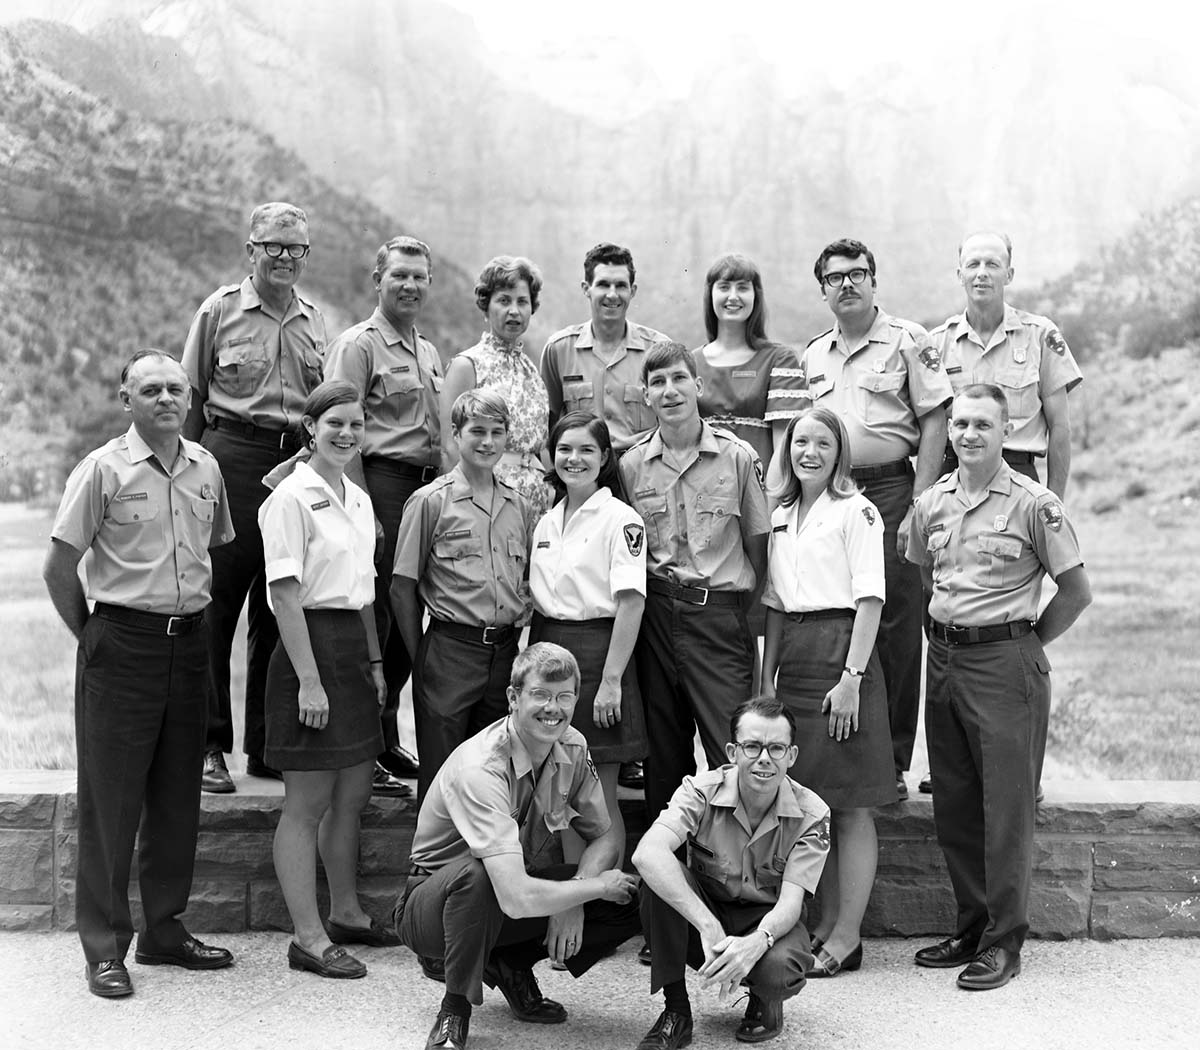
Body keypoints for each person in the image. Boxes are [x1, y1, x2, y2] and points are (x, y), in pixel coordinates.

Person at [43, 349, 236, 998]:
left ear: (191, 398)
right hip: (122, 645)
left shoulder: (207, 466)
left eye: (175, 388)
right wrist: (95, 640)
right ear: (126, 400)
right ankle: (104, 948)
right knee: (112, 802)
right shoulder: (102, 469)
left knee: (177, 798)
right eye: (150, 390)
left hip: (191, 646)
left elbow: (211, 550)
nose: (166, 399)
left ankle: (164, 930)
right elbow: (59, 566)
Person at [907, 383, 1092, 991]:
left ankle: (1004, 941)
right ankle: (971, 926)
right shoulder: (932, 502)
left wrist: (1028, 643)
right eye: (960, 423)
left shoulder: (1035, 504)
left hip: (1005, 663)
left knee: (1005, 810)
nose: (969, 434)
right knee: (955, 803)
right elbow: (924, 571)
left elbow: (1076, 592)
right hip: (944, 660)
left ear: (1006, 431)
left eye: (983, 424)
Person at [394, 642, 642, 1050]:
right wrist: (591, 889)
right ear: (513, 697)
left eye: (564, 696)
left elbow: (603, 836)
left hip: (511, 889)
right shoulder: (482, 767)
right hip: (435, 906)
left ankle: (509, 963)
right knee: (477, 877)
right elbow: (513, 896)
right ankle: (454, 1009)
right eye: (540, 695)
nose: (553, 708)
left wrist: (576, 893)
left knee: (633, 897)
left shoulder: (573, 746)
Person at [799, 238, 952, 798]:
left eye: (857, 274)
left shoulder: (909, 340)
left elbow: (935, 420)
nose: (847, 284)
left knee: (895, 624)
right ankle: (845, 754)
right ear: (823, 289)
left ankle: (891, 760)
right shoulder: (813, 354)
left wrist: (918, 502)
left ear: (873, 281)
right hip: (834, 492)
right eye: (835, 277)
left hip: (891, 490)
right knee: (840, 613)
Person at [182, 201, 327, 793]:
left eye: (296, 248)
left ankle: (267, 748)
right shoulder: (218, 311)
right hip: (231, 458)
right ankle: (209, 746)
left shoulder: (315, 320)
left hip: (293, 464)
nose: (285, 257)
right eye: (274, 246)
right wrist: (186, 476)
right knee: (217, 605)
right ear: (251, 250)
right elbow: (192, 397)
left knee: (280, 602)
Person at [258, 380, 400, 979]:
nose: (345, 433)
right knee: (308, 803)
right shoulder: (290, 498)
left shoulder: (359, 499)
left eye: (356, 424)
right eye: (334, 423)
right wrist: (309, 682)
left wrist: (375, 664)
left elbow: (364, 593)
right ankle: (309, 938)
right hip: (307, 652)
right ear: (311, 428)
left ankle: (346, 913)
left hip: (352, 654)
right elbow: (285, 596)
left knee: (353, 796)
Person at [759, 407, 894, 979]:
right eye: (800, 442)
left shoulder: (857, 511)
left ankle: (847, 935)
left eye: (822, 443)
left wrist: (851, 679)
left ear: (839, 452)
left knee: (851, 802)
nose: (809, 452)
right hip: (795, 656)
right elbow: (773, 603)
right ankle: (823, 922)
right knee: (814, 803)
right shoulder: (781, 515)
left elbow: (871, 599)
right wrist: (766, 676)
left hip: (843, 656)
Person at [618, 341, 771, 826]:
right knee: (664, 758)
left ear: (698, 385)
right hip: (656, 620)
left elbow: (759, 549)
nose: (670, 391)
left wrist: (731, 611)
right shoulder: (630, 465)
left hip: (718, 619)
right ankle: (671, 867)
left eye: (679, 378)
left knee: (735, 750)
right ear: (646, 394)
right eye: (658, 382)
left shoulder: (737, 457)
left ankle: (738, 866)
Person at [632, 697, 829, 1047]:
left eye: (776, 748)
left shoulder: (812, 813)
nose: (764, 758)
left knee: (779, 970)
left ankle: (764, 1000)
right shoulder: (700, 791)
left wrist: (758, 941)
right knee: (657, 882)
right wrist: (707, 925)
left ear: (792, 756)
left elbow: (791, 904)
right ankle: (676, 1012)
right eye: (752, 746)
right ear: (732, 752)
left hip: (767, 922)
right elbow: (647, 854)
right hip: (709, 914)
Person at [324, 235, 443, 795]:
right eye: (400, 275)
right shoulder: (358, 346)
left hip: (422, 492)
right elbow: (341, 431)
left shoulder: (428, 351)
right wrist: (360, 509)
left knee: (404, 615)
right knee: (371, 618)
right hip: (380, 485)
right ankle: (359, 746)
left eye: (419, 276)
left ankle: (384, 735)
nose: (410, 285)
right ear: (378, 280)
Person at [391, 389, 535, 803]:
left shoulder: (518, 506)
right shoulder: (430, 502)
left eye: (497, 432)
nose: (488, 442)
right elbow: (402, 587)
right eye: (477, 431)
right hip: (449, 652)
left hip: (504, 654)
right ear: (456, 434)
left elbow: (523, 582)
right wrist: (422, 655)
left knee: (493, 776)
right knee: (442, 779)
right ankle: (433, 850)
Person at [529, 411, 647, 862]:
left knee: (598, 793)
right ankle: (575, 886)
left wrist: (611, 681)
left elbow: (631, 603)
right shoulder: (546, 520)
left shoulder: (622, 519)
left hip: (598, 655)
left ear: (605, 458)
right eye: (564, 449)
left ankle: (602, 891)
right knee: (559, 789)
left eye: (586, 450)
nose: (573, 459)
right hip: (546, 650)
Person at [930, 231, 1083, 500]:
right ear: (960, 275)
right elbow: (930, 430)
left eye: (992, 264)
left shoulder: (1039, 336)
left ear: (1009, 275)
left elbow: (1060, 426)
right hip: (955, 480)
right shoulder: (937, 344)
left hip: (1020, 479)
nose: (982, 273)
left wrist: (1053, 502)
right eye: (973, 264)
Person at [440, 255, 553, 519]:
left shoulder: (531, 371)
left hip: (536, 504)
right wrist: (467, 510)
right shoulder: (467, 365)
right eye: (504, 300)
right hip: (486, 503)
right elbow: (450, 448)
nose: (514, 310)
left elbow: (541, 446)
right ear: (486, 306)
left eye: (522, 301)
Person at [540, 242, 672, 454]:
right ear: (586, 289)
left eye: (620, 286)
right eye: (603, 285)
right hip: (582, 468)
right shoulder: (559, 350)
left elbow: (672, 420)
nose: (612, 294)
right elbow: (547, 425)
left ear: (632, 291)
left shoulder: (658, 349)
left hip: (642, 468)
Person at [693, 252, 804, 473]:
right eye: (724, 287)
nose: (733, 296)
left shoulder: (780, 360)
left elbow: (784, 448)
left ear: (756, 296)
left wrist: (770, 494)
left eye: (743, 288)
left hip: (762, 484)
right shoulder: (691, 362)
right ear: (710, 294)